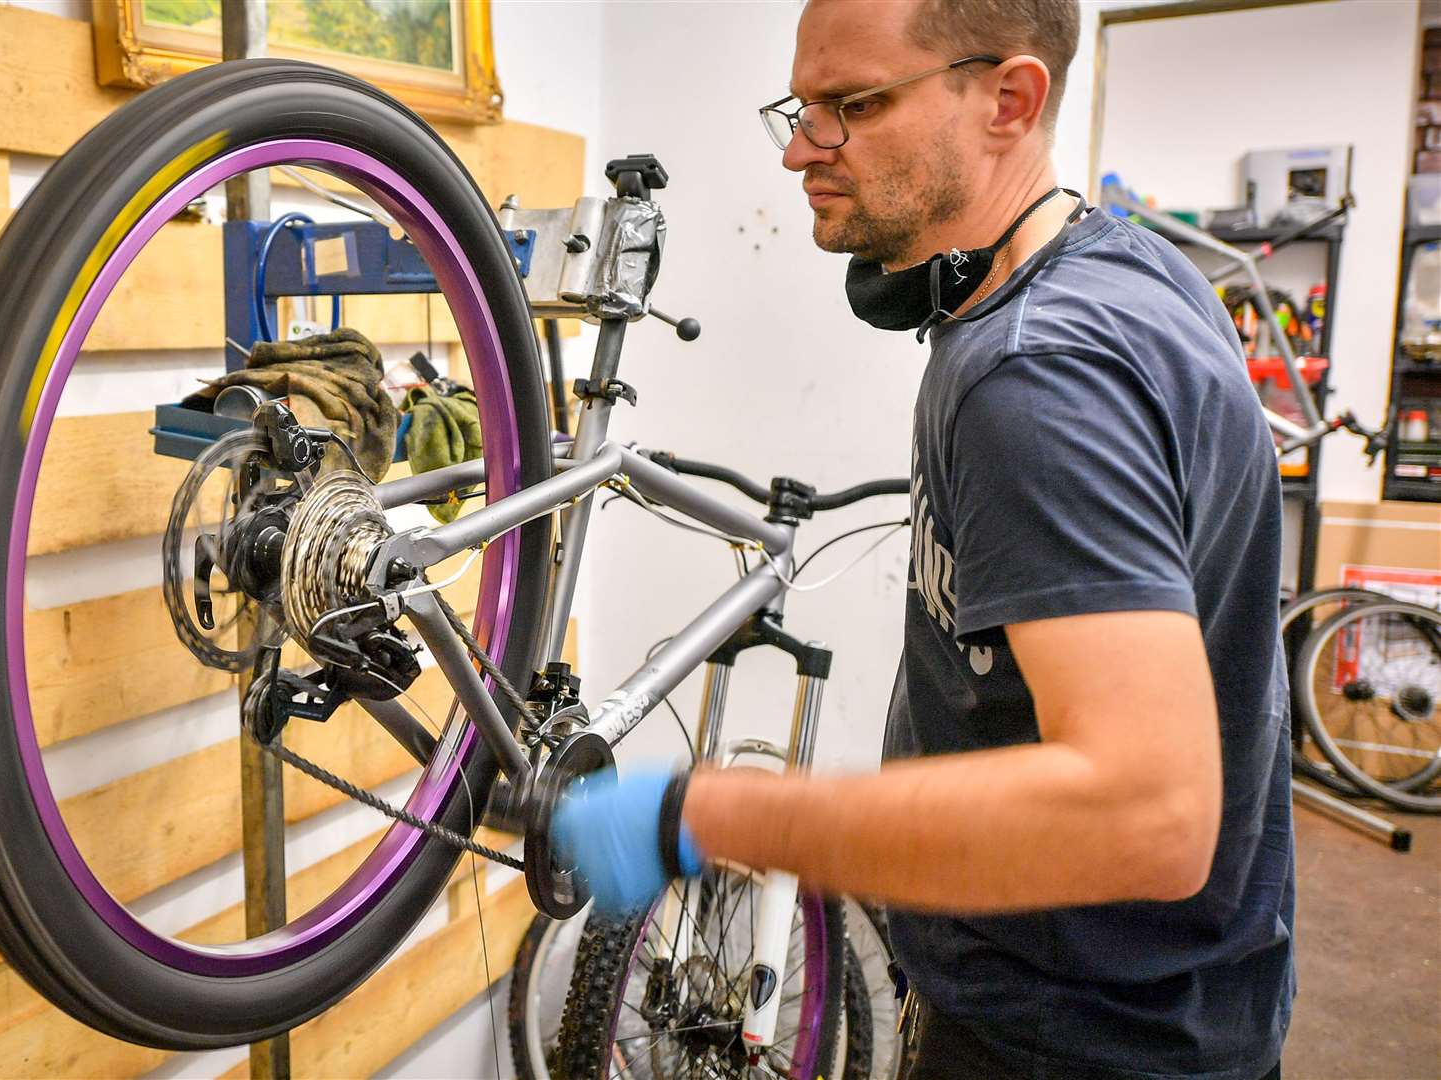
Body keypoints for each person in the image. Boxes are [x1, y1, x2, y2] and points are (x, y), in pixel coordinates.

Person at [553, 1, 1294, 1077]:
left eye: (853, 105)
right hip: (1153, 1004)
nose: (804, 147)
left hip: (1075, 1045)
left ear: (1010, 99)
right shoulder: (1108, 271)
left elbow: (1151, 814)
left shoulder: (1038, 375)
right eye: (801, 107)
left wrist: (706, 812)